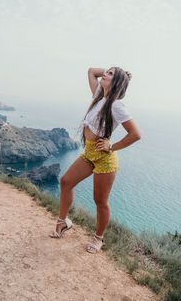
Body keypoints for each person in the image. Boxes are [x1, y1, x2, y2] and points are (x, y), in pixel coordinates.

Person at [50, 67, 141, 253]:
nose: (104, 74)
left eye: (110, 74)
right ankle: (63, 222)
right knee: (66, 182)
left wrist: (112, 146)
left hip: (105, 159)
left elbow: (136, 134)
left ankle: (99, 239)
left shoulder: (116, 105)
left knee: (100, 201)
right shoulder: (100, 96)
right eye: (106, 72)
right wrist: (118, 72)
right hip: (90, 153)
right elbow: (92, 71)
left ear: (116, 83)